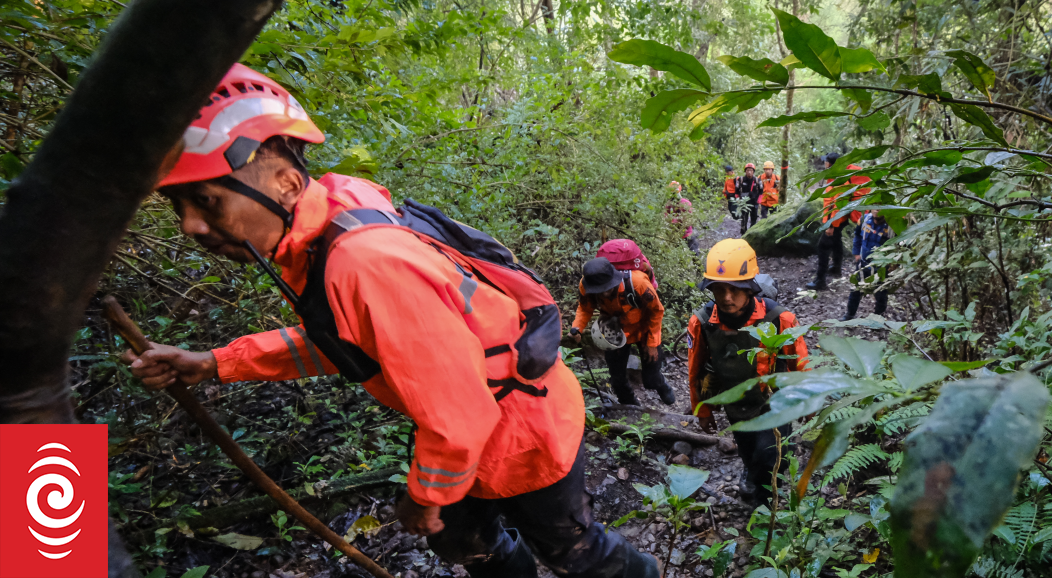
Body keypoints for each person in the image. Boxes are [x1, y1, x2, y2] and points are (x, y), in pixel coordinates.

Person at [121, 64, 659, 578]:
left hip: (520, 433)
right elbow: (347, 342)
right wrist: (215, 363)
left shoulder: (364, 262)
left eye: (206, 200)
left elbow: (458, 415)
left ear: (286, 183)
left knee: (574, 553)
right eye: (178, 205)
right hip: (475, 434)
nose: (191, 224)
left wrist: (423, 497)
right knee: (469, 545)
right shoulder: (328, 221)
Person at [687, 239, 809, 507]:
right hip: (736, 403)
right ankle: (751, 470)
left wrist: (810, 402)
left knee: (771, 457)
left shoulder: (781, 319)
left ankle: (766, 510)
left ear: (750, 288)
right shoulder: (703, 323)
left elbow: (800, 364)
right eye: (719, 289)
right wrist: (702, 409)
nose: (727, 297)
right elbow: (695, 368)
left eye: (735, 289)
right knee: (747, 448)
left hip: (774, 404)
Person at [569, 257, 676, 406]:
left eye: (604, 289)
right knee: (617, 379)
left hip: (644, 330)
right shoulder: (587, 285)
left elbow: (656, 311)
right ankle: (630, 406)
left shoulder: (638, 284)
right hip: (614, 332)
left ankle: (661, 384)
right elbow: (585, 308)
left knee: (651, 377)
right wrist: (578, 328)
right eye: (597, 291)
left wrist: (652, 343)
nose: (601, 294)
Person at [806, 152, 871, 290]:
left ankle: (820, 281)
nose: (824, 164)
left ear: (830, 164)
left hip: (836, 219)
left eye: (826, 162)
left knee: (823, 247)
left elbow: (837, 205)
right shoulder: (841, 175)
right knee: (836, 241)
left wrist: (831, 225)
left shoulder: (840, 180)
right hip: (843, 218)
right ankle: (836, 267)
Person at [843, 208, 894, 320]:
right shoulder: (864, 219)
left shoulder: (892, 226)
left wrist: (894, 264)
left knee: (880, 293)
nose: (877, 209)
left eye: (881, 206)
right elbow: (857, 235)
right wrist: (856, 253)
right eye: (875, 206)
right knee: (856, 289)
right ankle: (849, 315)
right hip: (863, 263)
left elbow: (902, 244)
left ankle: (877, 317)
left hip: (882, 266)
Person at [666, 180, 700, 253]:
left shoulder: (669, 204)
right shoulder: (685, 203)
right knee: (694, 252)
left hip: (677, 235)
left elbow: (666, 218)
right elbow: (691, 218)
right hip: (686, 233)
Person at [734, 163, 760, 234]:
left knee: (754, 219)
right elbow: (736, 191)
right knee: (744, 219)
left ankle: (752, 233)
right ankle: (743, 234)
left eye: (751, 170)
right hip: (744, 203)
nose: (749, 172)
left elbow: (761, 192)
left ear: (753, 171)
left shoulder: (757, 180)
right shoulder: (740, 180)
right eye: (748, 170)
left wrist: (758, 201)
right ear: (745, 171)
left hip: (754, 203)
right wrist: (738, 200)